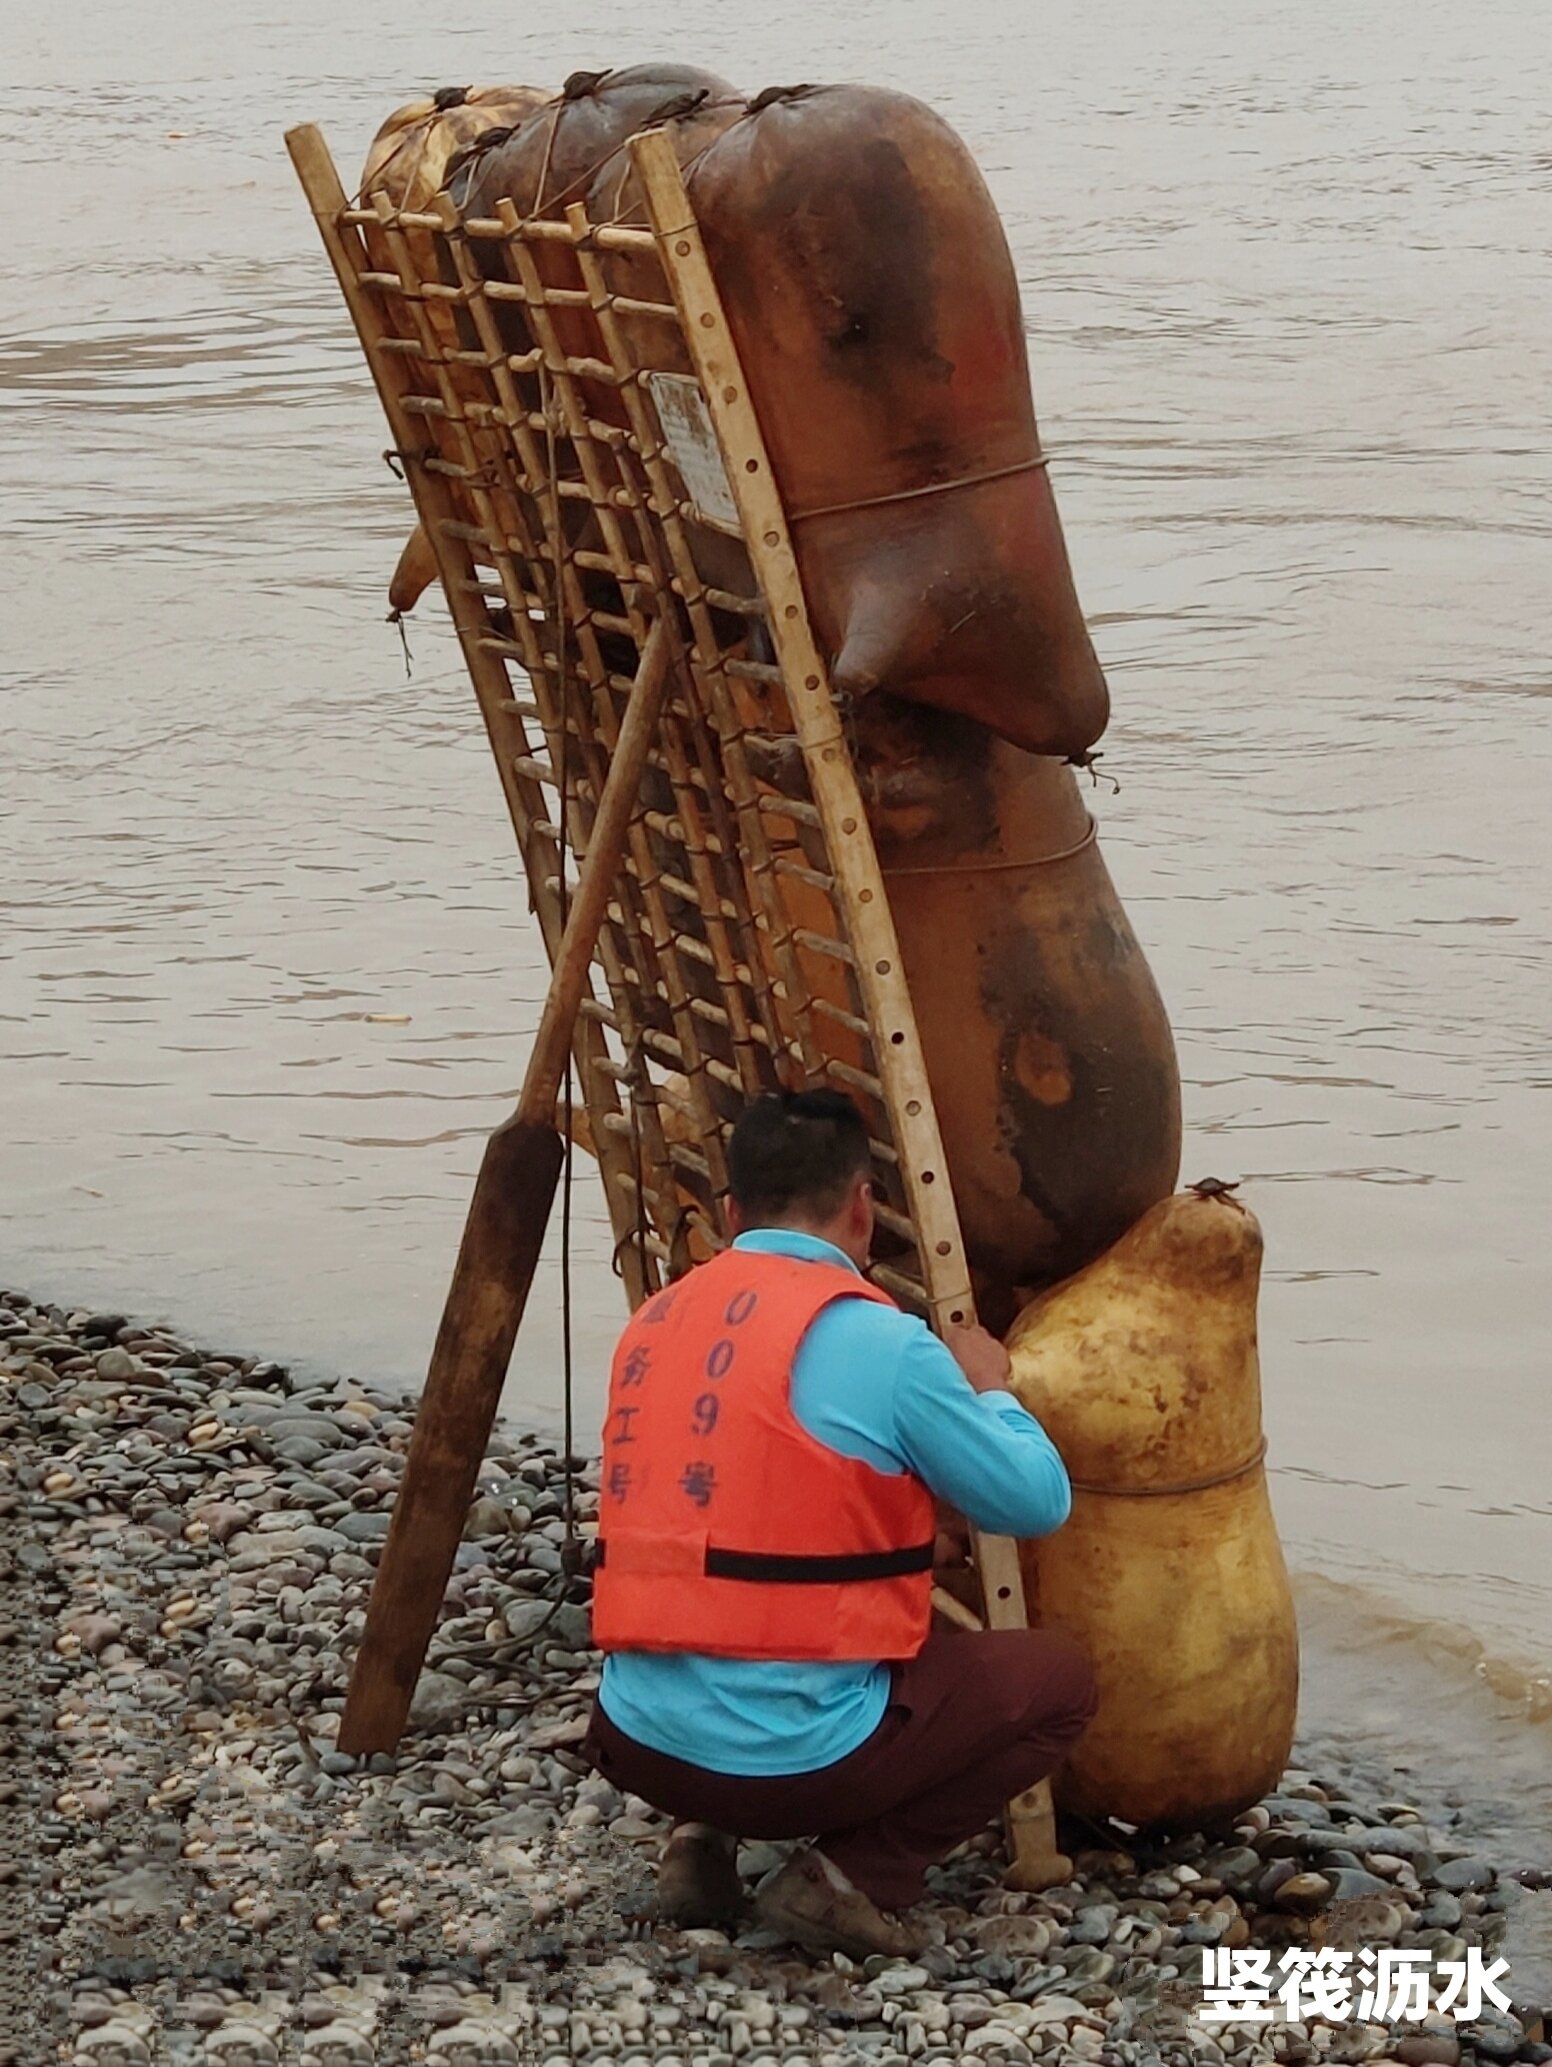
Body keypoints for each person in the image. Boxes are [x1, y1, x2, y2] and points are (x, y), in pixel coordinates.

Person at [582, 1088, 1094, 1958]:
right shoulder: (884, 1343)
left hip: (636, 1741)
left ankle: (697, 1840)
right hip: (793, 1769)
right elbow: (1035, 1500)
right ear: (864, 1205)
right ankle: (848, 1878)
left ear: (732, 1214)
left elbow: (747, 1513)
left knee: (725, 1621)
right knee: (1060, 1682)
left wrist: (904, 1541)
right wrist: (992, 1389)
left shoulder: (653, 1322)